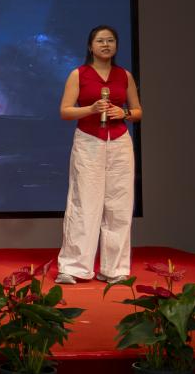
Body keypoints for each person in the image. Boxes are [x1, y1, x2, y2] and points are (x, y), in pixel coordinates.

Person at [55, 25, 143, 285]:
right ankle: (73, 267)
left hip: (119, 141)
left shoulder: (124, 75)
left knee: (119, 204)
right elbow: (65, 111)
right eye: (100, 41)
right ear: (90, 46)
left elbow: (138, 111)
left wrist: (124, 113)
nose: (106, 45)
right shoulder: (79, 74)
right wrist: (91, 109)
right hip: (89, 140)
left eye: (111, 41)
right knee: (84, 202)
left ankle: (114, 269)